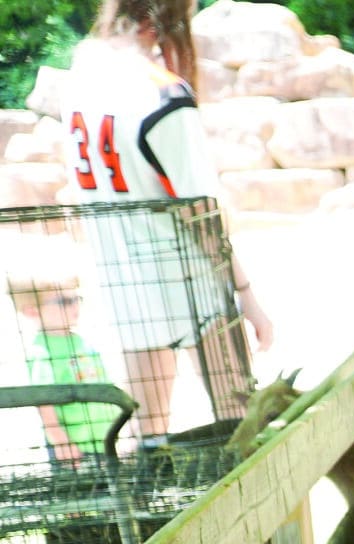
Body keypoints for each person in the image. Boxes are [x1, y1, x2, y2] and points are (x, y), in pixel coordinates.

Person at [62, 0, 275, 446]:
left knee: (148, 433)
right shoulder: (161, 94)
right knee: (240, 422)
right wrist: (247, 293)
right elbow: (201, 213)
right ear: (160, 20)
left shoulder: (80, 80)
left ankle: (144, 511)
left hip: (125, 283)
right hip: (191, 283)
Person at [10, 264, 120, 463]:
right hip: (74, 447)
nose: (75, 306)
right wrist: (61, 442)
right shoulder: (42, 351)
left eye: (76, 298)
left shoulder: (80, 341)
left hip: (103, 439)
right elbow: (43, 401)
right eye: (64, 301)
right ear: (32, 311)